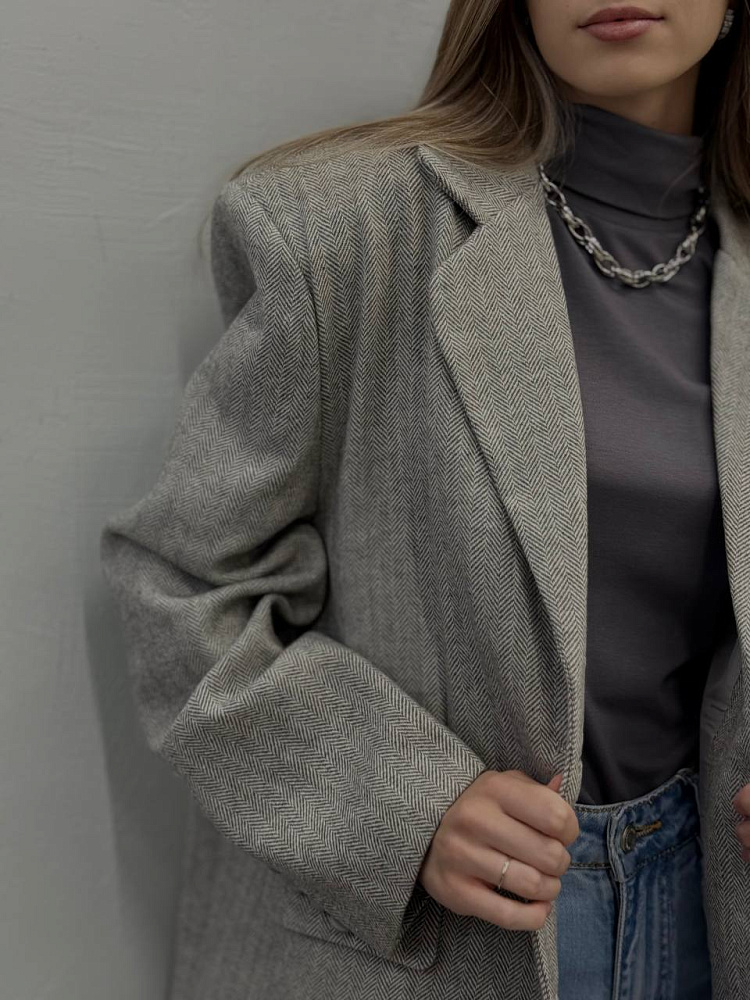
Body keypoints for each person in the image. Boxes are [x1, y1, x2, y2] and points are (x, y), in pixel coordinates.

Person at [99, 2, 750, 998]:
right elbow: (184, 585)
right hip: (435, 942)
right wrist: (403, 807)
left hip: (712, 908)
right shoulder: (340, 223)